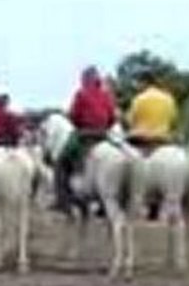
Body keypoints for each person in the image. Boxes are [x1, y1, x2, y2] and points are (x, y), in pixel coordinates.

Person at [53, 67, 117, 213]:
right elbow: (112, 117)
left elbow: (73, 116)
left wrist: (79, 124)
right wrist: (104, 127)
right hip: (104, 134)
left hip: (85, 134)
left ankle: (63, 201)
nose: (81, 81)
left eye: (83, 78)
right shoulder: (106, 95)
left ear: (87, 79)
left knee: (61, 162)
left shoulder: (81, 94)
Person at [126, 69, 178, 151]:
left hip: (140, 139)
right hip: (162, 139)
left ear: (145, 82)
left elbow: (130, 121)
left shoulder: (139, 98)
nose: (136, 86)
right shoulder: (169, 98)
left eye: (138, 83)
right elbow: (173, 122)